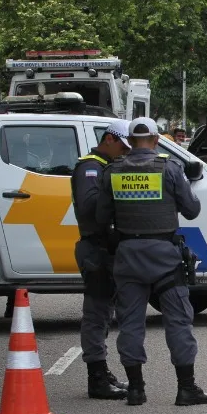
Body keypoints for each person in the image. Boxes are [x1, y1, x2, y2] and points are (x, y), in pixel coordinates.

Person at [96, 117, 207, 406]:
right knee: (178, 322)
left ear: (131, 141)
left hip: (128, 257)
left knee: (130, 324)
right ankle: (186, 389)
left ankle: (135, 389)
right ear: (156, 138)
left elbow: (101, 218)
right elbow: (192, 210)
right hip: (164, 257)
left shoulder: (113, 171)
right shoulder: (169, 168)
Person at [71, 120, 133, 399]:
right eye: (123, 146)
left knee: (105, 314)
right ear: (109, 139)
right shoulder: (90, 167)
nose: (125, 151)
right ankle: (96, 378)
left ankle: (101, 370)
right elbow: (89, 206)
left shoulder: (107, 166)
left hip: (107, 249)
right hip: (96, 250)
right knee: (96, 315)